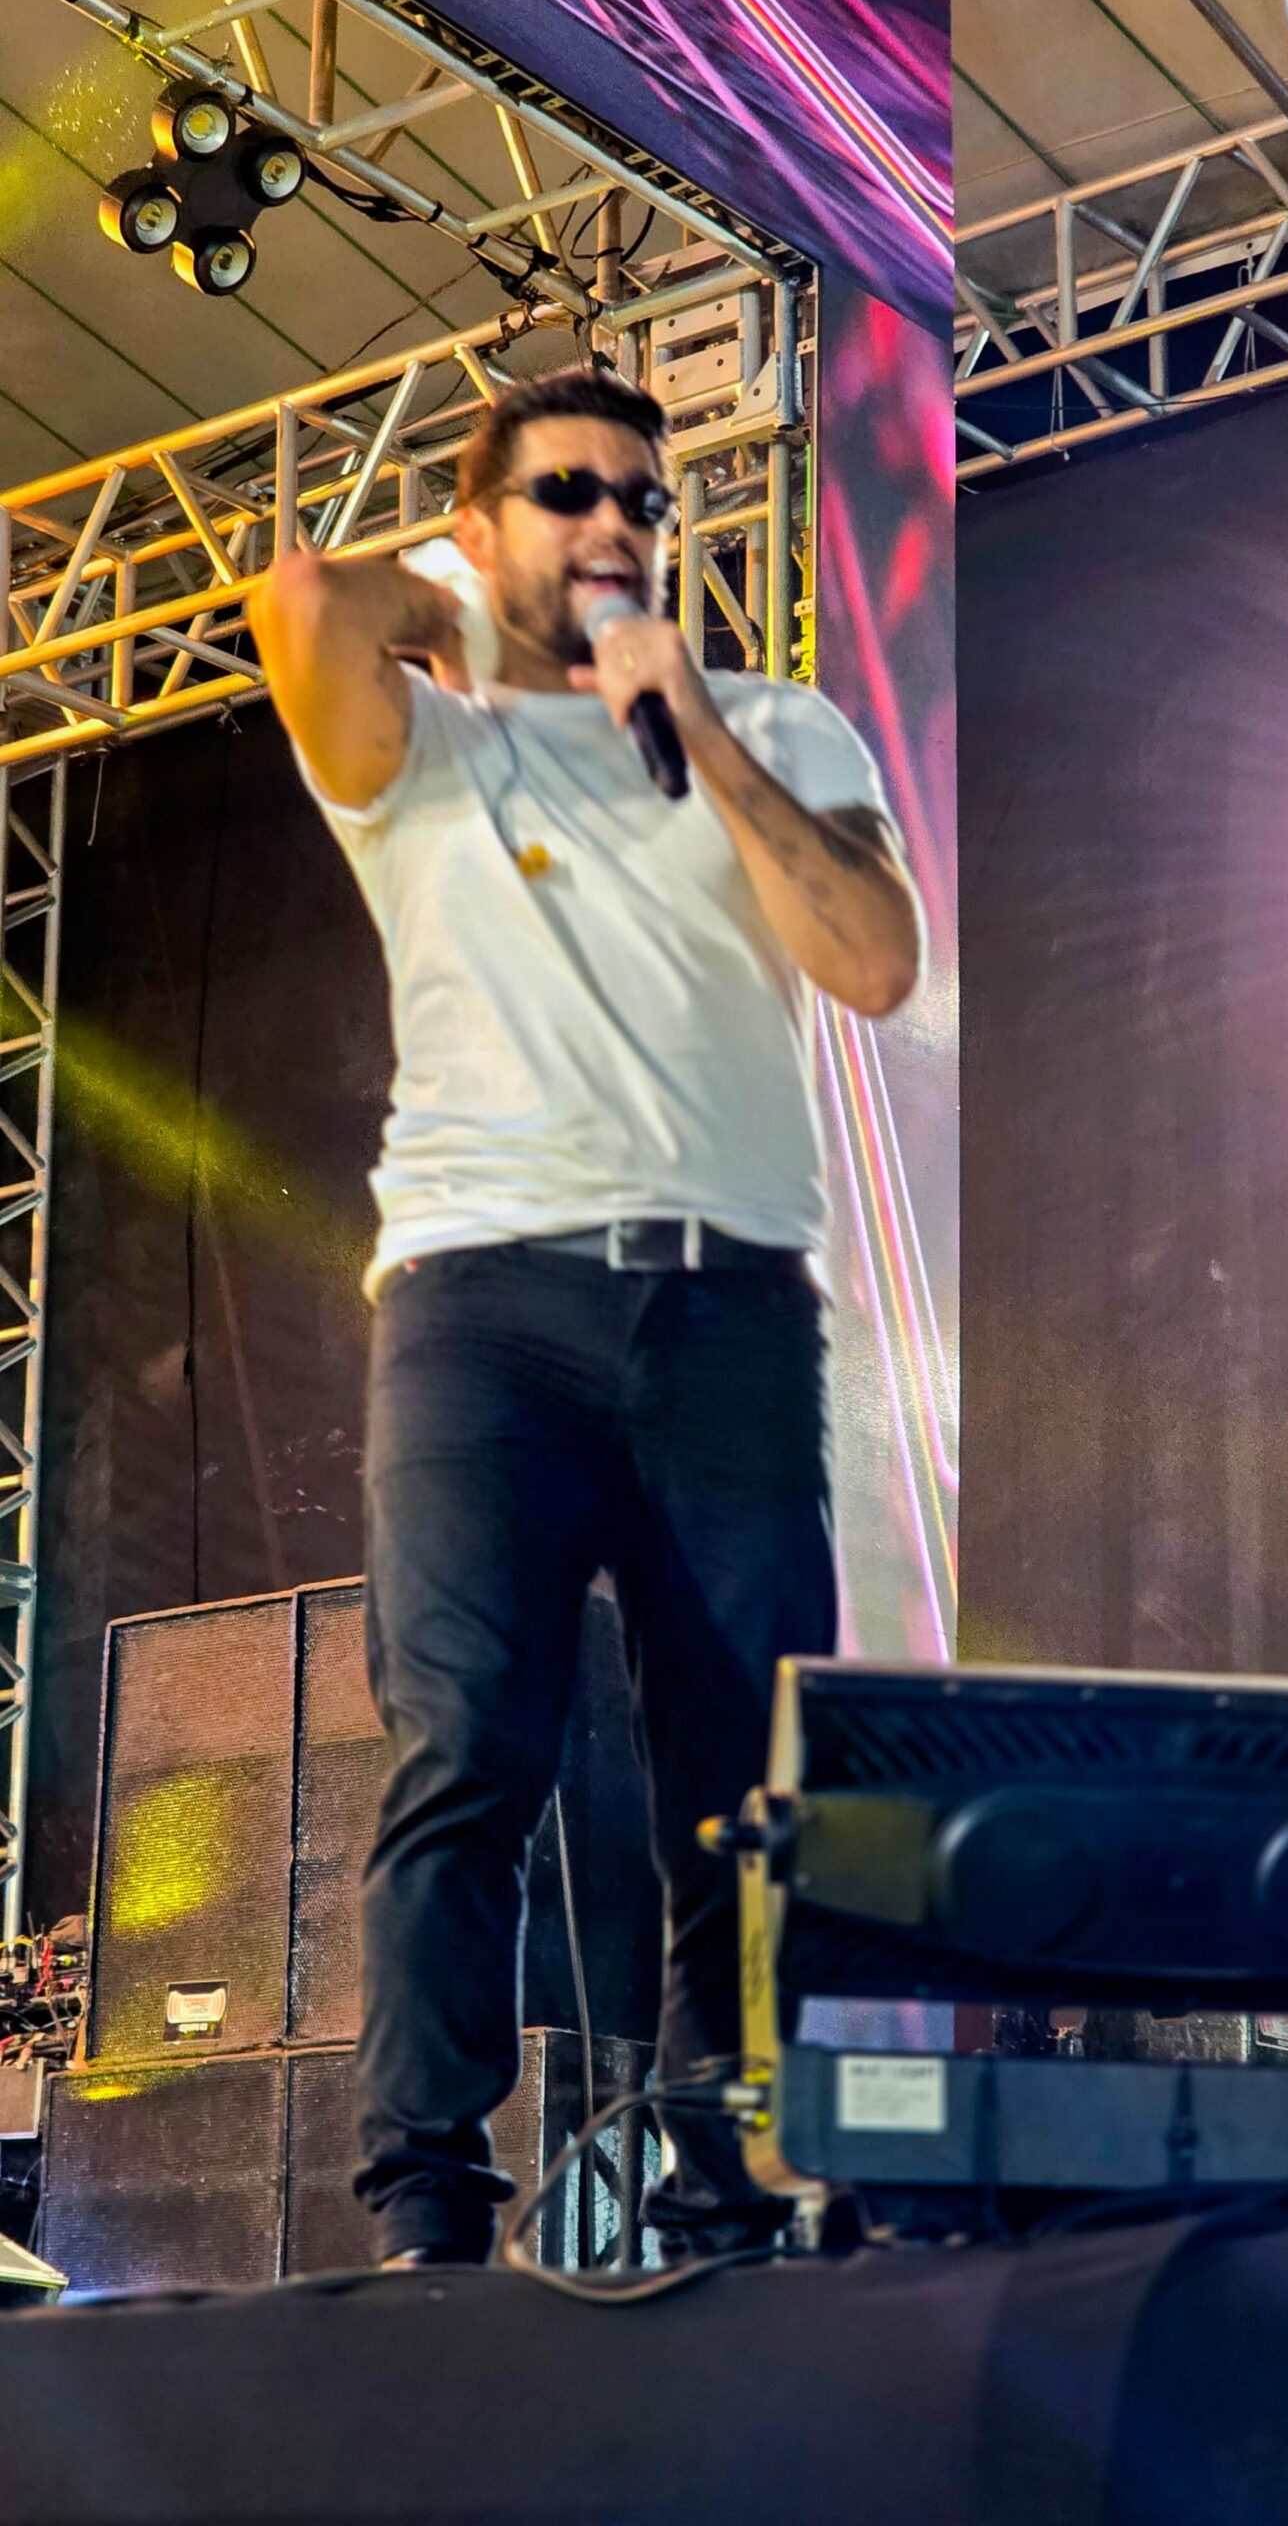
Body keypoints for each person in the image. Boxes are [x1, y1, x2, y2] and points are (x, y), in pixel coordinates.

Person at [248, 364, 923, 2269]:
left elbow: (875, 963)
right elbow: (303, 603)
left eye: (640, 495)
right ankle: (427, 2199)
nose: (617, 520)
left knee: (743, 1772)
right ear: (478, 526)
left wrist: (688, 716)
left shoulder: (776, 724)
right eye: (566, 492)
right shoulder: (426, 745)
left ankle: (736, 2179)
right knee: (468, 1741)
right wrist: (490, 623)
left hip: (727, 1304)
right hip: (482, 1302)